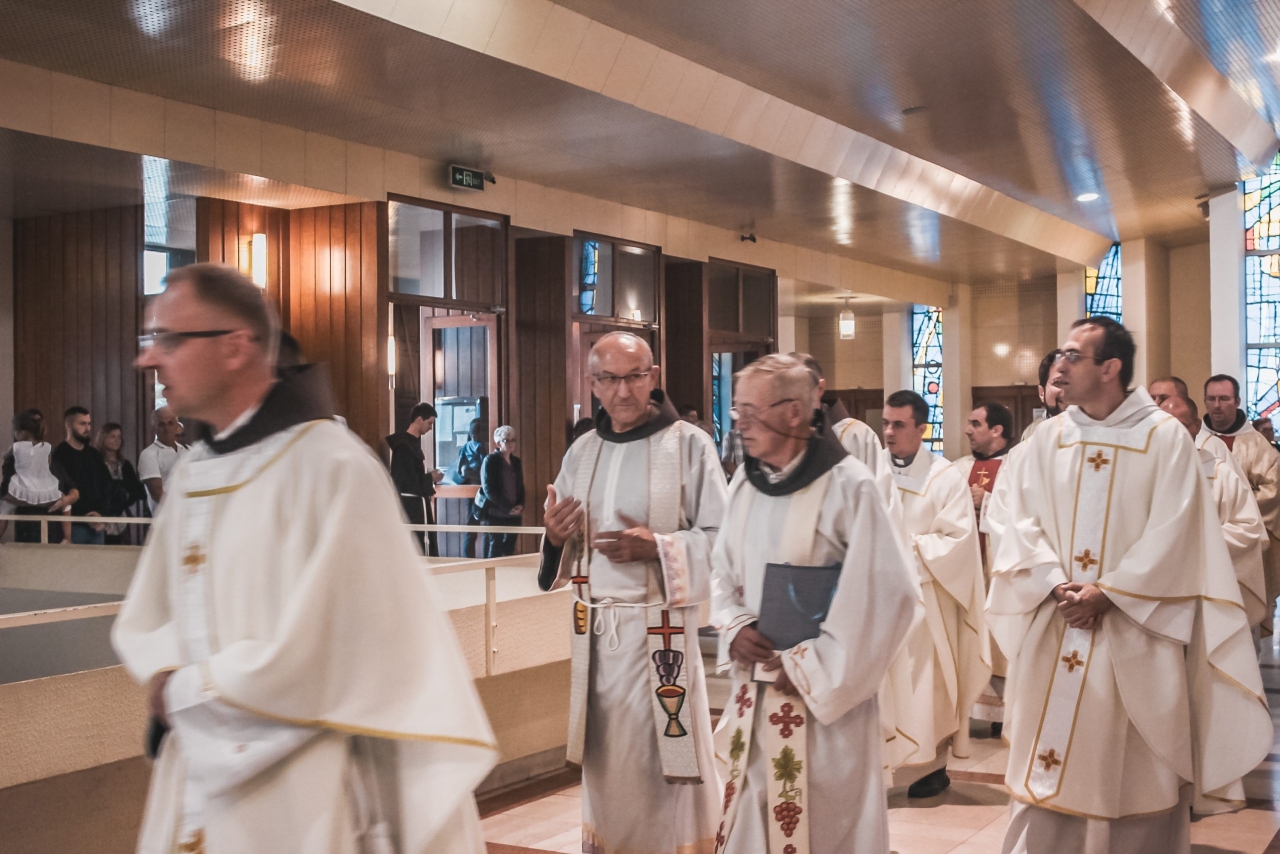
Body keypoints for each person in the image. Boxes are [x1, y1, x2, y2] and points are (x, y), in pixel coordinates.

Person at [113, 262, 495, 854]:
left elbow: (330, 651)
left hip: (302, 792)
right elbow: (155, 612)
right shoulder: (194, 471)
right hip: (198, 772)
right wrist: (166, 671)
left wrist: (188, 690)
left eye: (168, 339)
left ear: (235, 346)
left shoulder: (330, 466)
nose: (149, 359)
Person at [989, 318, 1270, 852]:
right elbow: (1016, 520)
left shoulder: (1164, 439)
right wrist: (1054, 583)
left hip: (1138, 629)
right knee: (1046, 770)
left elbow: (1179, 532)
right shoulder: (1047, 438)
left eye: (1073, 355)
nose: (1059, 366)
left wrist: (1109, 593)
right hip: (1057, 623)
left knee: (1136, 778)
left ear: (1110, 368)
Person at [710, 354, 920, 854]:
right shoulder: (745, 482)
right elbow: (722, 570)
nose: (740, 423)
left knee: (823, 828)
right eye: (737, 410)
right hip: (755, 694)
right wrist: (734, 625)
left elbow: (887, 594)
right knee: (751, 823)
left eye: (752, 411)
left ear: (794, 411)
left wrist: (811, 666)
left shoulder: (849, 485)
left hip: (824, 705)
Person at [539, 331, 727, 854]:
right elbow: (564, 539)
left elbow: (724, 539)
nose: (623, 391)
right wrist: (553, 538)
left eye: (635, 377)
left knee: (664, 768)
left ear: (654, 377)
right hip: (598, 644)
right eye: (610, 379)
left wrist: (660, 548)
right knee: (607, 767)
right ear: (592, 383)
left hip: (659, 637)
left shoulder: (690, 445)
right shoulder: (583, 452)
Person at [882, 389, 990, 798]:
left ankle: (929, 768)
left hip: (927, 605)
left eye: (899, 425)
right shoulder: (871, 473)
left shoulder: (944, 477)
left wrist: (902, 549)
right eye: (886, 424)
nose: (889, 432)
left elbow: (957, 541)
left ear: (921, 429)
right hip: (880, 602)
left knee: (926, 687)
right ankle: (882, 766)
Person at [1162, 395, 1269, 629]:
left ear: (1196, 426)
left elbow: (1250, 528)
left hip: (1209, 591)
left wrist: (1198, 541)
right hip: (1157, 595)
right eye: (1165, 426)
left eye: (1181, 426)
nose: (1173, 434)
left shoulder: (1220, 474)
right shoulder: (1144, 473)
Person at [953, 401, 1014, 735]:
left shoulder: (1016, 466)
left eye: (975, 424)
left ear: (997, 430)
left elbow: (1026, 515)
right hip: (967, 573)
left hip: (1000, 574)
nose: (968, 430)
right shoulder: (958, 468)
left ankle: (1002, 716)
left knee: (999, 640)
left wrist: (986, 502)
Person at [1203, 373, 1280, 625]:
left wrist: (1232, 515)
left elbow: (1272, 490)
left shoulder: (1257, 444)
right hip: (1203, 540)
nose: (1217, 405)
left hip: (1243, 543)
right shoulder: (1195, 440)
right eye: (1211, 399)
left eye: (1224, 399)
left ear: (1237, 401)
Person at [0, 409, 76, 543]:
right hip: (44, 489)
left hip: (23, 490)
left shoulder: (16, 448)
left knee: (3, 510)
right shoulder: (47, 448)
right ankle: (67, 538)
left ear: (21, 432)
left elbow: (6, 457)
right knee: (66, 505)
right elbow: (47, 466)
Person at [52, 406, 118, 545]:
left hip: (97, 524)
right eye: (82, 424)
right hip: (73, 524)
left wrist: (101, 514)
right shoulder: (60, 454)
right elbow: (62, 490)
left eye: (89, 424)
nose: (87, 428)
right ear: (69, 426)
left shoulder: (94, 455)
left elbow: (107, 486)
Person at [387, 403, 445, 557]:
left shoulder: (411, 444)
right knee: (418, 545)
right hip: (411, 505)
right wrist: (431, 477)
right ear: (419, 419)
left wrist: (429, 477)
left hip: (417, 503)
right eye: (429, 423)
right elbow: (404, 481)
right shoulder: (403, 447)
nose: (431, 428)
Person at [476, 425, 524, 558]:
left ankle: (507, 570)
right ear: (498, 443)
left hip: (514, 513)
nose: (511, 443)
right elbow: (488, 489)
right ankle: (492, 571)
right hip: (496, 513)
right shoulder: (490, 460)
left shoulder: (516, 461)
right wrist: (507, 507)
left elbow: (520, 486)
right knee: (495, 547)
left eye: (513, 440)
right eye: (507, 440)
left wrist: (521, 504)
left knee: (509, 548)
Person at [96, 422, 147, 545]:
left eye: (119, 437)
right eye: (112, 436)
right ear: (103, 438)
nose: (116, 440)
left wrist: (124, 500)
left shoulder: (125, 464)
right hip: (101, 516)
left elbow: (137, 490)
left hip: (121, 516)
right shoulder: (96, 462)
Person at [138, 405, 188, 514]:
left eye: (170, 423)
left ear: (177, 426)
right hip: (166, 517)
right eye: (161, 424)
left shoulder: (189, 451)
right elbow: (157, 494)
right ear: (154, 428)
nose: (167, 428)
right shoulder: (149, 454)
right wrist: (183, 510)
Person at [451, 418, 487, 558]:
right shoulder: (480, 446)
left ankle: (468, 556)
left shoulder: (465, 447)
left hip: (469, 484)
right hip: (479, 484)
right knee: (481, 522)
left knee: (471, 522)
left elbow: (460, 465)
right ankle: (479, 557)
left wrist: (462, 472)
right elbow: (484, 463)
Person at [1021, 350, 1063, 441]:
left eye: (1074, 384)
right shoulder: (1031, 434)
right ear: (1041, 392)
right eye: (1058, 383)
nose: (1067, 391)